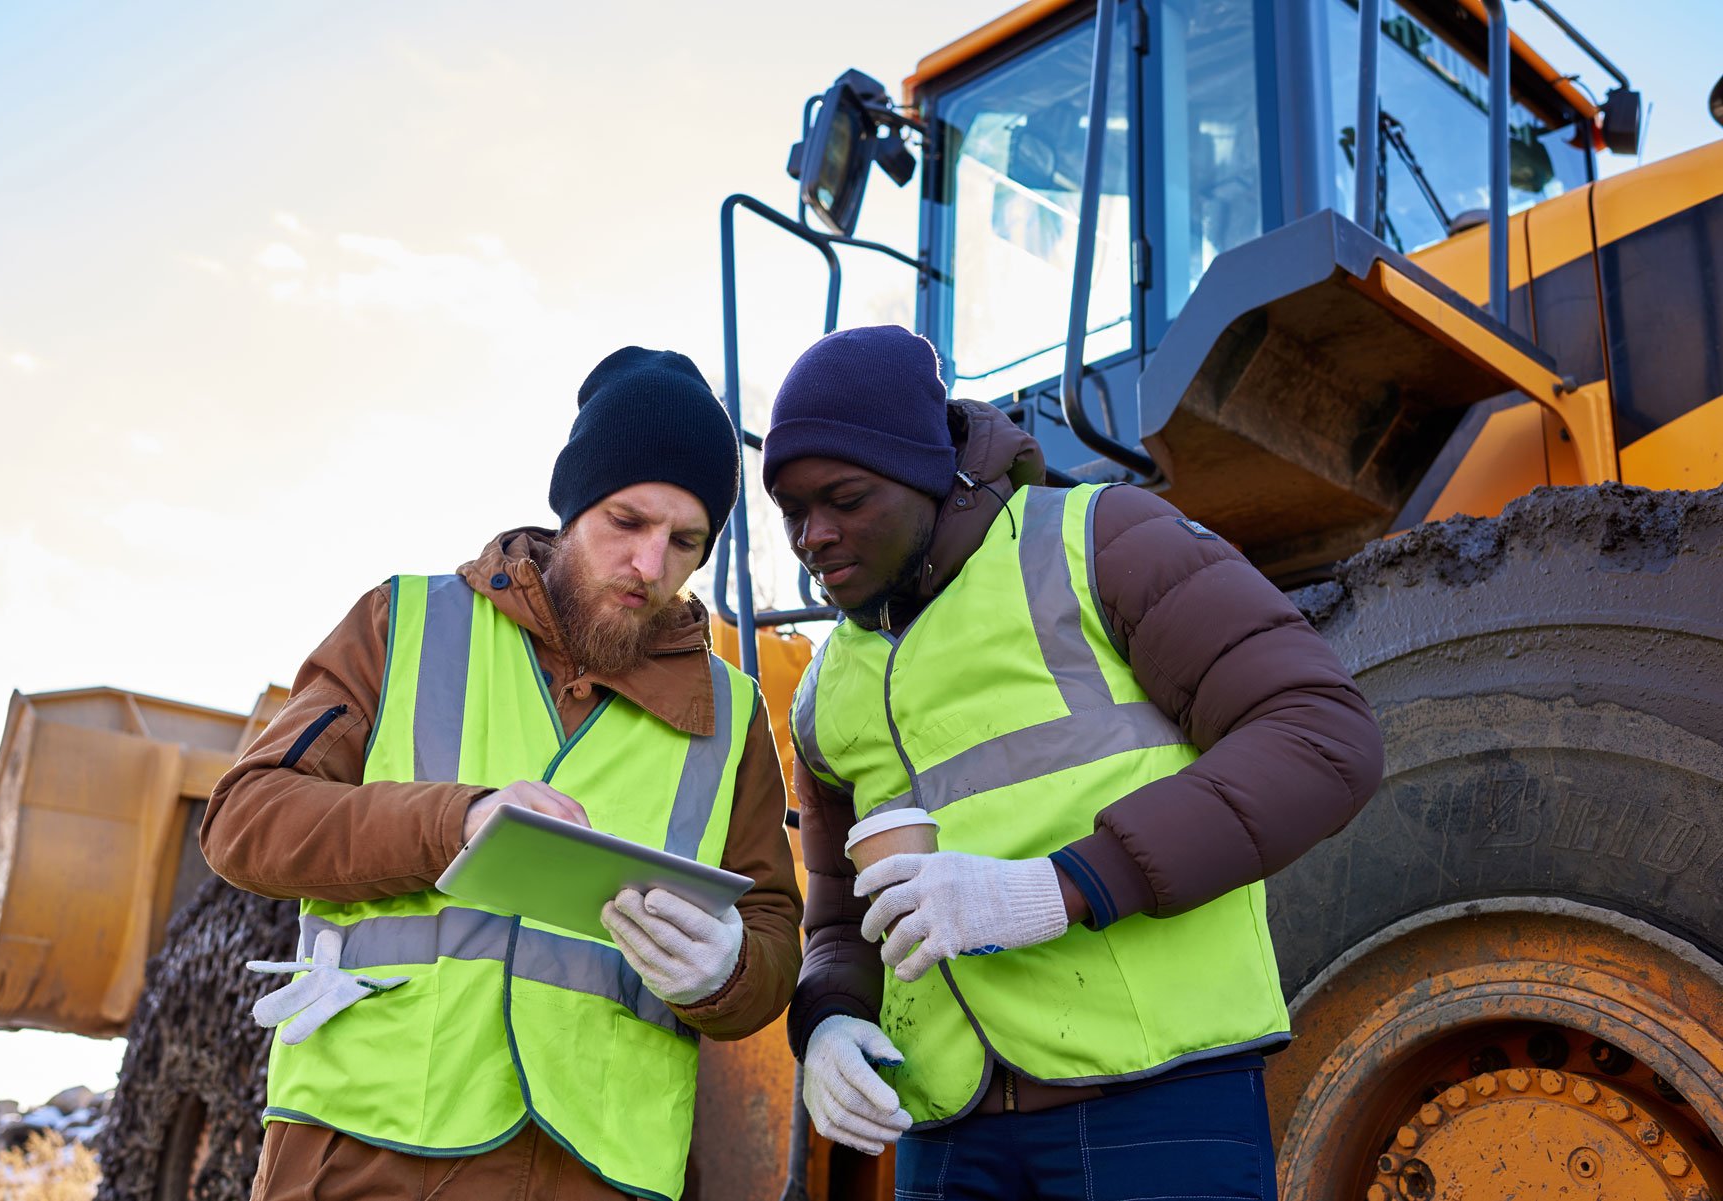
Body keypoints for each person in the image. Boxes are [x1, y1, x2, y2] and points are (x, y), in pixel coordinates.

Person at [762, 325, 1384, 1200]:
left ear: (929, 470)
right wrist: (825, 1021)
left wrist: (1055, 887)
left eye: (845, 497)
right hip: (947, 1144)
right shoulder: (822, 693)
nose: (813, 535)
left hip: (1156, 1109)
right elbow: (837, 921)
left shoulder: (1101, 540)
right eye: (791, 511)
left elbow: (1322, 736)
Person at [202, 346, 801, 1201]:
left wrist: (730, 974)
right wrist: (459, 820)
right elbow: (245, 819)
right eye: (626, 522)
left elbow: (773, 932)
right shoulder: (403, 622)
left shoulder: (735, 717)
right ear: (572, 507)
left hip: (594, 1172)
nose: (650, 564)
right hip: (366, 1151)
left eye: (685, 542)